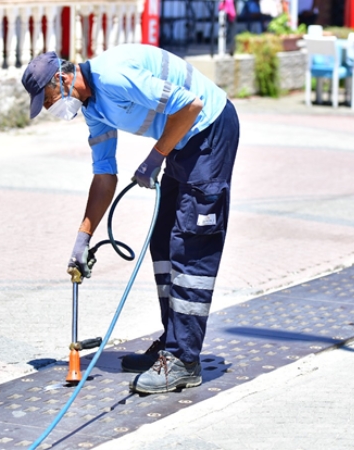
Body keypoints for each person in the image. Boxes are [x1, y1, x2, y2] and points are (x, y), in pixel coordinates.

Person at [21, 45, 240, 395]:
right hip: (185, 138)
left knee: (190, 242)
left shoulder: (112, 76)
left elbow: (190, 105)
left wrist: (154, 159)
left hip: (210, 129)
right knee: (163, 239)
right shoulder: (93, 109)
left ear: (61, 79)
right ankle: (173, 343)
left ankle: (184, 359)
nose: (48, 109)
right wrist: (83, 237)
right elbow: (104, 174)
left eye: (46, 100)